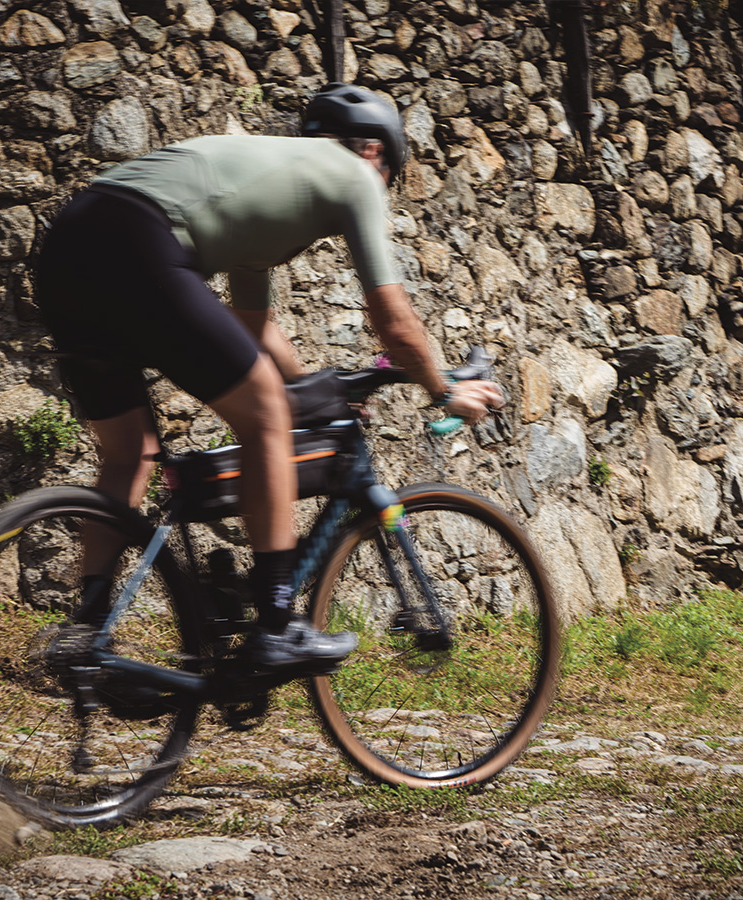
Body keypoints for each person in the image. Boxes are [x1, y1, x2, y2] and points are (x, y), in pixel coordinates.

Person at [35, 83, 504, 673]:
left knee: (130, 453)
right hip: (138, 242)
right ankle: (278, 627)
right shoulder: (355, 175)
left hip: (68, 245)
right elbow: (394, 321)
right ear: (377, 153)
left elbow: (255, 325)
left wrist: (314, 389)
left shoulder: (272, 189)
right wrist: (444, 388)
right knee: (264, 416)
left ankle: (87, 630)